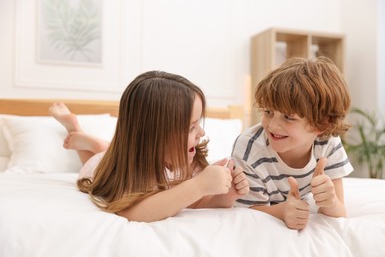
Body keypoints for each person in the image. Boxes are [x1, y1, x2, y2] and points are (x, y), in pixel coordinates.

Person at [50, 70, 249, 222]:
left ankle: (92, 140)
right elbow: (134, 212)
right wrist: (199, 185)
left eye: (198, 124)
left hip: (115, 155)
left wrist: (225, 196)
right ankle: (75, 129)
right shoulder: (131, 172)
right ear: (155, 135)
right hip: (101, 168)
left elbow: (195, 202)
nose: (201, 133)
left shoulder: (189, 161)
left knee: (108, 151)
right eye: (191, 127)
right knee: (95, 160)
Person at [231, 57, 353, 230]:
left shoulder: (328, 143)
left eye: (288, 117)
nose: (272, 125)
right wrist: (282, 211)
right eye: (268, 112)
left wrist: (330, 202)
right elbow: (247, 210)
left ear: (322, 124)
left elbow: (339, 211)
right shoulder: (248, 150)